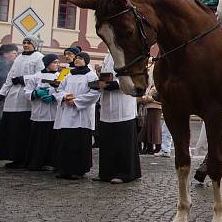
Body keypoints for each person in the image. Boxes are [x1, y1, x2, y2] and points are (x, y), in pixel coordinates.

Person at [0, 37, 44, 168]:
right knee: (12, 128)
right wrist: (1, 93)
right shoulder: (19, 57)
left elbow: (41, 75)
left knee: (22, 129)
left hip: (26, 98)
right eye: (24, 43)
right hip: (13, 97)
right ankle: (14, 156)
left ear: (35, 45)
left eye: (29, 43)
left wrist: (24, 79)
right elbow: (10, 76)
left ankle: (23, 158)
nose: (26, 45)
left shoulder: (39, 57)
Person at [95, 54, 141, 184]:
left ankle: (125, 173)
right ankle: (106, 172)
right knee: (107, 141)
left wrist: (111, 85)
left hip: (123, 105)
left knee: (123, 142)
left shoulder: (128, 53)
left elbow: (133, 79)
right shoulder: (107, 56)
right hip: (107, 106)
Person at [53, 51, 100, 179]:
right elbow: (59, 89)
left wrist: (77, 101)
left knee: (78, 142)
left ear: (86, 60)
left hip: (82, 114)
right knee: (66, 141)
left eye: (80, 58)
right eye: (77, 58)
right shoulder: (69, 74)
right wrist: (63, 97)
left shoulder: (91, 76)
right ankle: (65, 169)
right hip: (67, 113)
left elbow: (95, 93)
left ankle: (78, 169)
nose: (77, 60)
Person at [23, 53, 60, 171]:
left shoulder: (60, 76)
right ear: (47, 64)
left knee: (52, 140)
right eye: (54, 62)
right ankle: (36, 162)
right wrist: (36, 93)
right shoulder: (36, 76)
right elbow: (26, 92)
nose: (57, 65)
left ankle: (51, 162)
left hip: (54, 114)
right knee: (38, 140)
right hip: (39, 113)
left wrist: (54, 96)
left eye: (58, 62)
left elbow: (64, 90)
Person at [137, 74, 162, 155]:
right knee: (149, 128)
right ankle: (150, 147)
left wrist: (144, 98)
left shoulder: (158, 86)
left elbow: (154, 97)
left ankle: (156, 147)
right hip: (150, 108)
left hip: (155, 108)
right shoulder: (151, 87)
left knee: (154, 128)